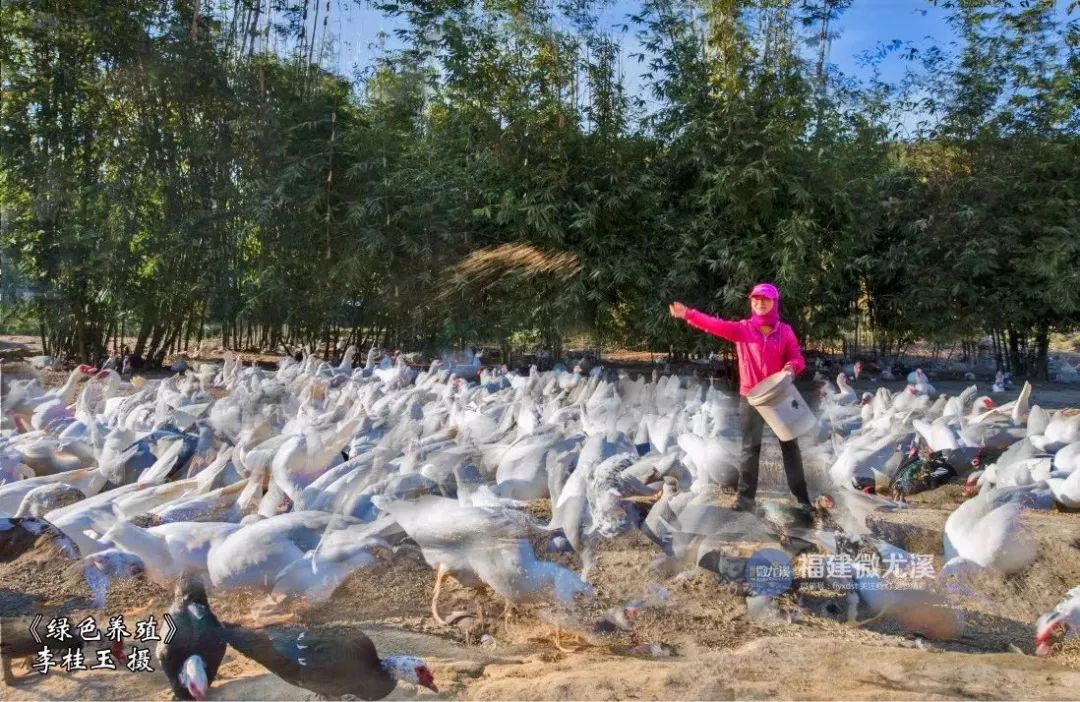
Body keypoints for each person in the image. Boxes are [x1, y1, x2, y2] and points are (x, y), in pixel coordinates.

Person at [669, 283, 812, 518]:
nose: (760, 302)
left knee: (790, 447)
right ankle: (746, 499)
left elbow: (797, 357)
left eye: (765, 299)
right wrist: (688, 314)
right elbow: (714, 325)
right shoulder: (743, 329)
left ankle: (802, 499)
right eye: (756, 299)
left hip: (780, 395)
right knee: (750, 449)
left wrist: (790, 367)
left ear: (774, 302)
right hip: (752, 398)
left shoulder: (785, 331)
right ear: (751, 302)